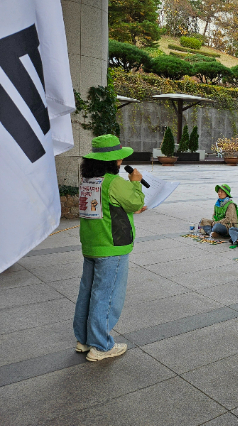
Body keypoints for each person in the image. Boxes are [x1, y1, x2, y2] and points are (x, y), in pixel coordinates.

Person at [74, 134, 146, 361]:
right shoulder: (114, 182)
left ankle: (84, 340)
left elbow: (108, 207)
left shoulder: (88, 181)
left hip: (91, 245)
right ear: (113, 161)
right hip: (112, 246)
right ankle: (102, 346)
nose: (120, 163)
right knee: (106, 295)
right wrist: (135, 182)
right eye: (118, 159)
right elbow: (135, 202)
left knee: (87, 292)